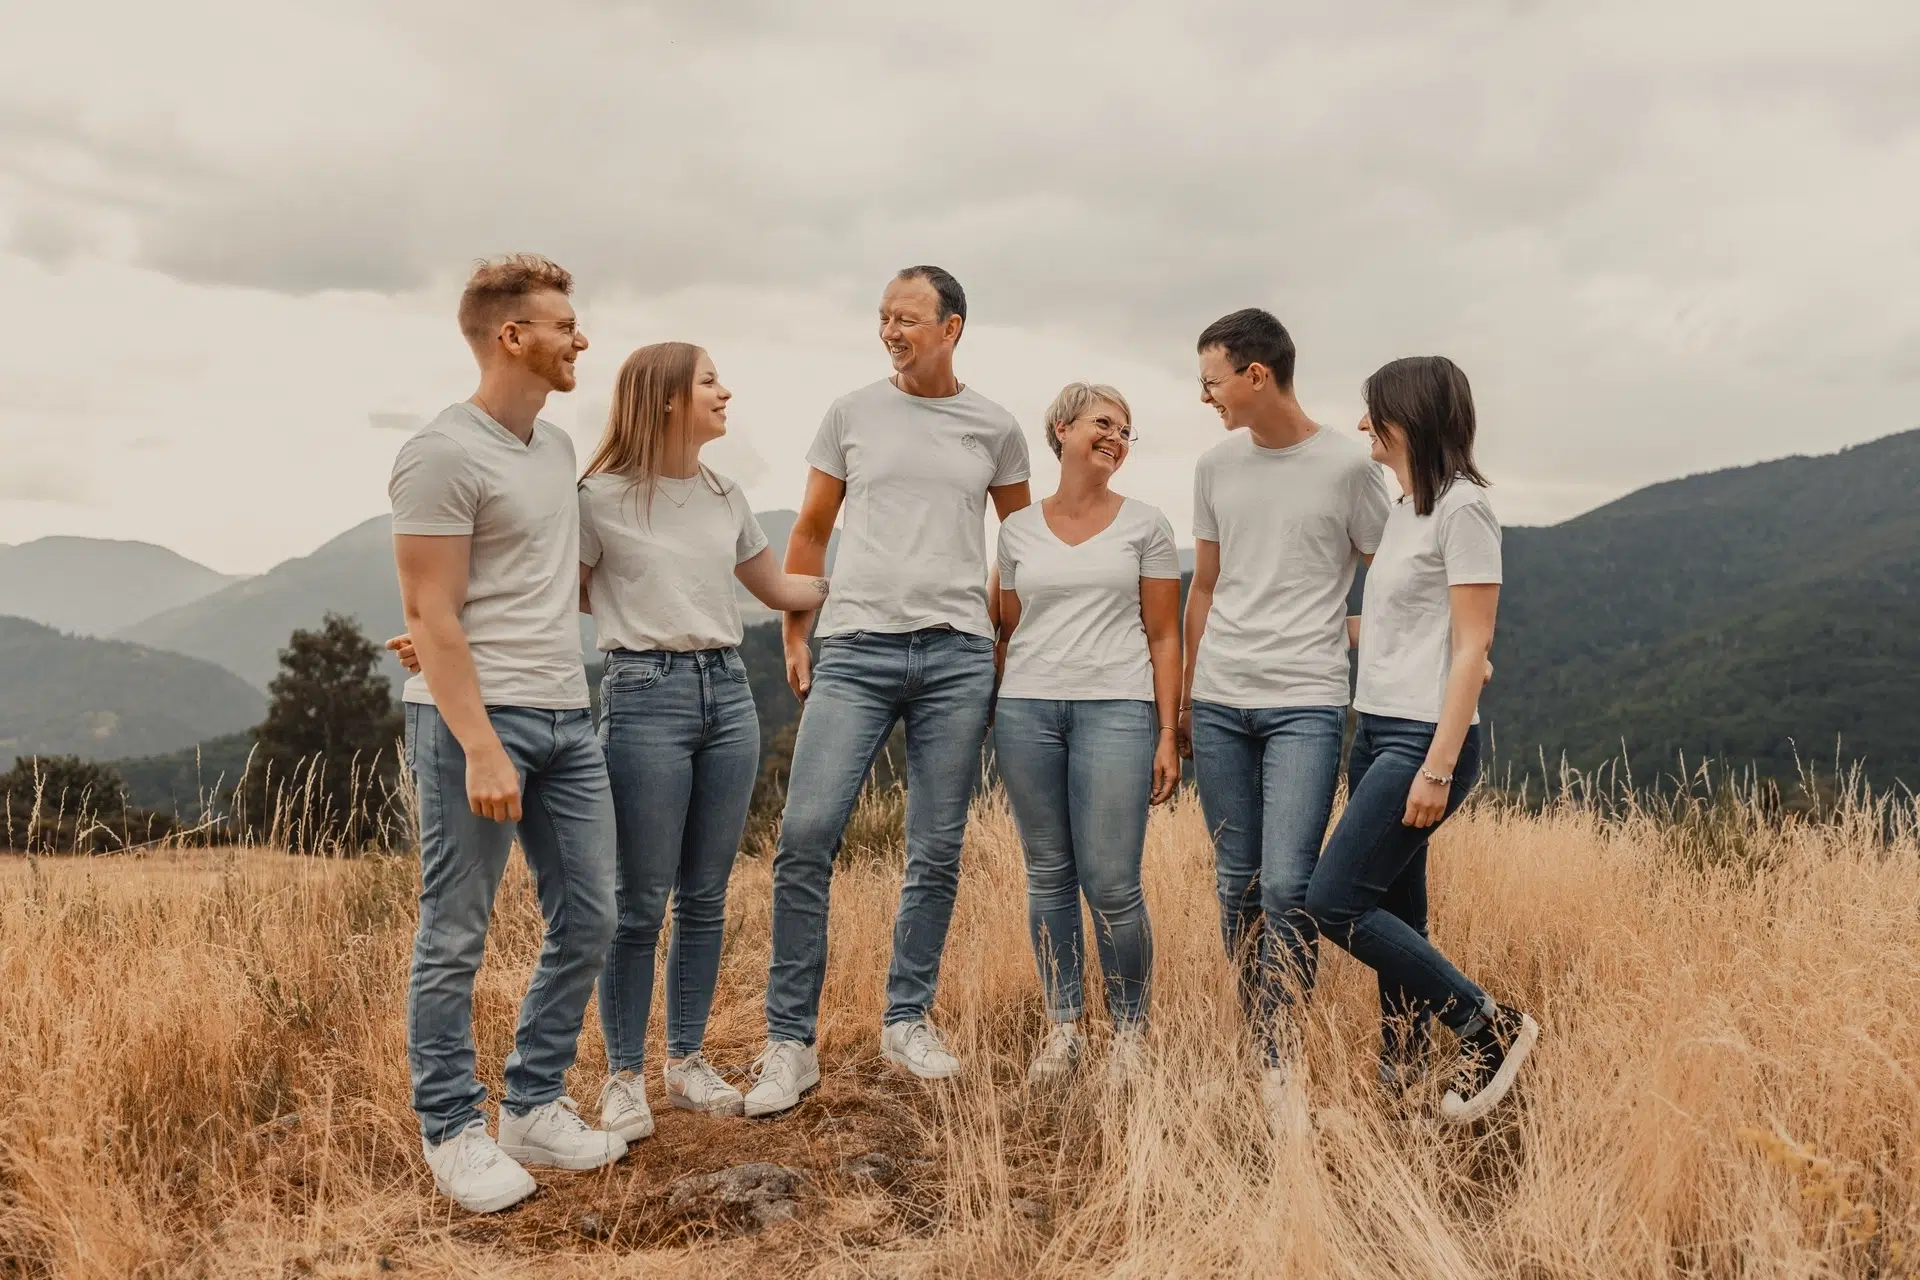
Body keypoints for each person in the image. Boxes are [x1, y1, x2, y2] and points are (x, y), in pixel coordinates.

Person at [394, 343, 833, 1138]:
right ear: (666, 398)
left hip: (728, 695)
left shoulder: (726, 494)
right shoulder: (594, 497)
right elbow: (541, 585)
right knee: (637, 902)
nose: (725, 392)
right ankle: (623, 1077)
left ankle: (687, 1063)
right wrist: (432, 630)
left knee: (704, 896)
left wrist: (868, 595)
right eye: (709, 382)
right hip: (642, 696)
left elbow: (776, 590)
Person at [744, 266, 1032, 1118]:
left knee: (935, 848)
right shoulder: (851, 413)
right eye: (882, 318)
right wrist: (797, 630)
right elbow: (809, 530)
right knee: (806, 834)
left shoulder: (997, 428)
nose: (890, 332)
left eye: (907, 319)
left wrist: (1006, 640)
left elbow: (1016, 548)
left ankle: (907, 1018)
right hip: (857, 646)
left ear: (952, 328)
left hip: (955, 659)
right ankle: (788, 1041)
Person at [387, 254, 623, 1216]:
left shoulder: (557, 447)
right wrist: (480, 742)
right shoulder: (441, 452)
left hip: (569, 714)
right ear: (511, 336)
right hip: (475, 723)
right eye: (565, 325)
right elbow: (431, 611)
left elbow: (534, 581)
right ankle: (452, 1130)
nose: (582, 339)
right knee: (455, 931)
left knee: (594, 917)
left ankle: (530, 1105)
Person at [1305, 355, 1539, 1123]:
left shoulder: (1464, 509)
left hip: (1424, 741)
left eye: (1374, 411)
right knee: (1397, 914)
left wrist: (1437, 769)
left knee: (1334, 901)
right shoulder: (1407, 509)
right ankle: (1400, 1076)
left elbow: (1474, 646)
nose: (1364, 424)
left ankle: (1489, 1025)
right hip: (1374, 728)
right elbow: (1403, 626)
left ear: (1409, 416)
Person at [1178, 308, 1391, 1132]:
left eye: (1212, 381)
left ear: (1255, 375)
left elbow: (1391, 567)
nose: (1206, 397)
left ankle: (1282, 1068)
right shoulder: (1214, 465)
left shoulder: (1346, 466)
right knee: (1237, 886)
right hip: (1223, 699)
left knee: (1290, 887)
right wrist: (1186, 699)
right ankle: (1261, 1046)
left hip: (1306, 698)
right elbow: (1205, 585)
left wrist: (1441, 652)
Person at [991, 383, 1182, 1086]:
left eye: (1127, 431)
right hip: (1028, 712)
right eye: (1105, 423)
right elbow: (1008, 628)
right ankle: (1064, 1028)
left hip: (1118, 709)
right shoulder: (1016, 532)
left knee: (1111, 882)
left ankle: (1130, 1037)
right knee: (1047, 875)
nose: (1117, 437)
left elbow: (1165, 636)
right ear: (1063, 428)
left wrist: (1168, 732)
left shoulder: (1148, 525)